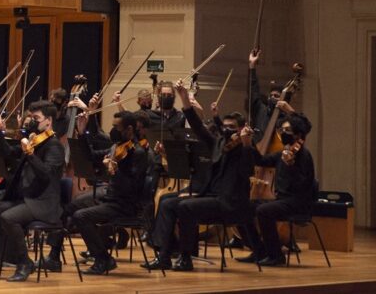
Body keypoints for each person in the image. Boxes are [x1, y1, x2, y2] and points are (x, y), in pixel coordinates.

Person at [145, 78, 255, 272]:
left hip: (230, 202)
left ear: (241, 129)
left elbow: (247, 171)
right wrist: (184, 98)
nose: (227, 130)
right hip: (211, 196)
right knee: (167, 203)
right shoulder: (218, 144)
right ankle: (164, 255)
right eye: (225, 126)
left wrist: (246, 144)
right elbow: (198, 127)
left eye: (232, 127)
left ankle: (186, 257)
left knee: (186, 206)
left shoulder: (246, 149)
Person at [0, 101, 65, 282]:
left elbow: (46, 175)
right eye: (31, 117)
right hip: (23, 198)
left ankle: (24, 262)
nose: (31, 122)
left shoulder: (54, 146)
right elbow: (9, 154)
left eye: (36, 118)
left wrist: (31, 154)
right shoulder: (35, 141)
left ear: (48, 121)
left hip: (42, 202)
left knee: (8, 217)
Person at [45, 110, 151, 275]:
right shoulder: (116, 147)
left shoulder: (138, 153)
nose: (113, 130)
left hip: (124, 204)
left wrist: (117, 170)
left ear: (129, 129)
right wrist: (82, 134)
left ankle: (103, 259)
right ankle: (54, 256)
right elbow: (91, 156)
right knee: (70, 206)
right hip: (111, 196)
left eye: (117, 127)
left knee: (81, 216)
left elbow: (133, 188)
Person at [239, 113, 316, 266]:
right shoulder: (283, 153)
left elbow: (303, 185)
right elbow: (261, 160)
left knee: (264, 210)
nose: (282, 133)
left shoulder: (303, 155)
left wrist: (291, 166)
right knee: (243, 207)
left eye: (287, 130)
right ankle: (259, 250)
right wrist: (249, 143)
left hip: (298, 202)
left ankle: (276, 256)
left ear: (297, 134)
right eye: (282, 130)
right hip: (283, 200)